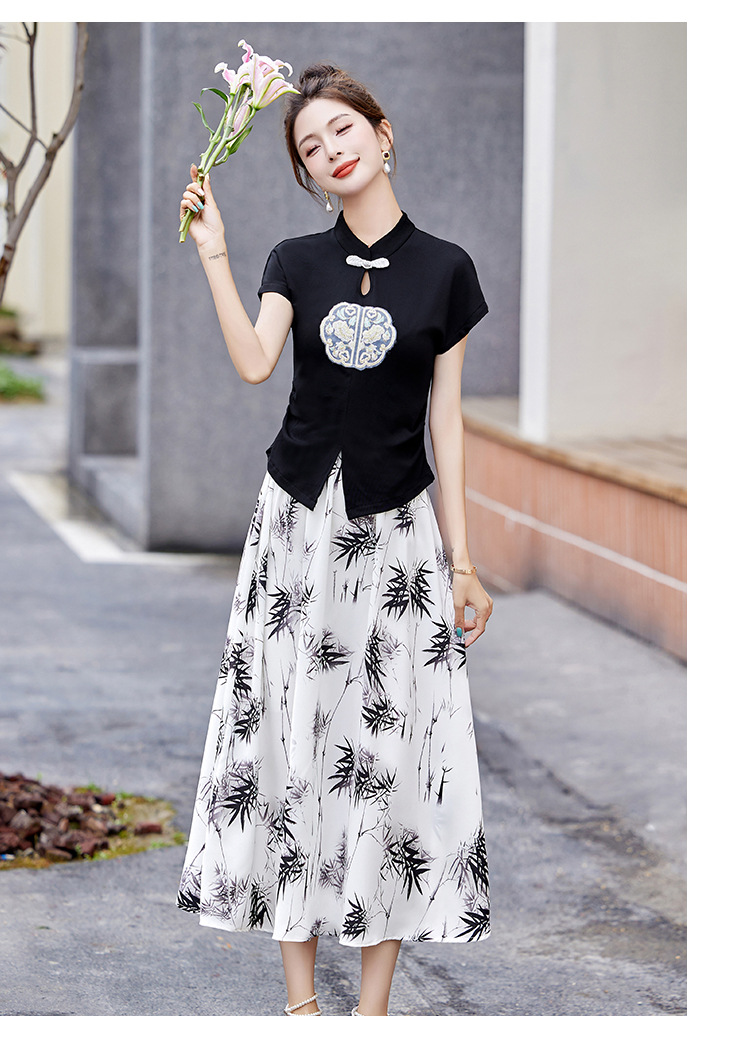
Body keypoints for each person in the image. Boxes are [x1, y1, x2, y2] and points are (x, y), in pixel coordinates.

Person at [176, 62, 494, 1017]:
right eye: (310, 147)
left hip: (397, 538)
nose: (330, 150)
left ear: (382, 134)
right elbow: (254, 362)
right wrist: (215, 255)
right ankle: (302, 1009)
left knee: (386, 750)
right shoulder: (294, 261)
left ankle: (372, 1014)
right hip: (297, 533)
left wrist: (463, 561)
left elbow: (447, 422)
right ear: (309, 175)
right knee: (294, 740)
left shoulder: (447, 269)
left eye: (342, 130)